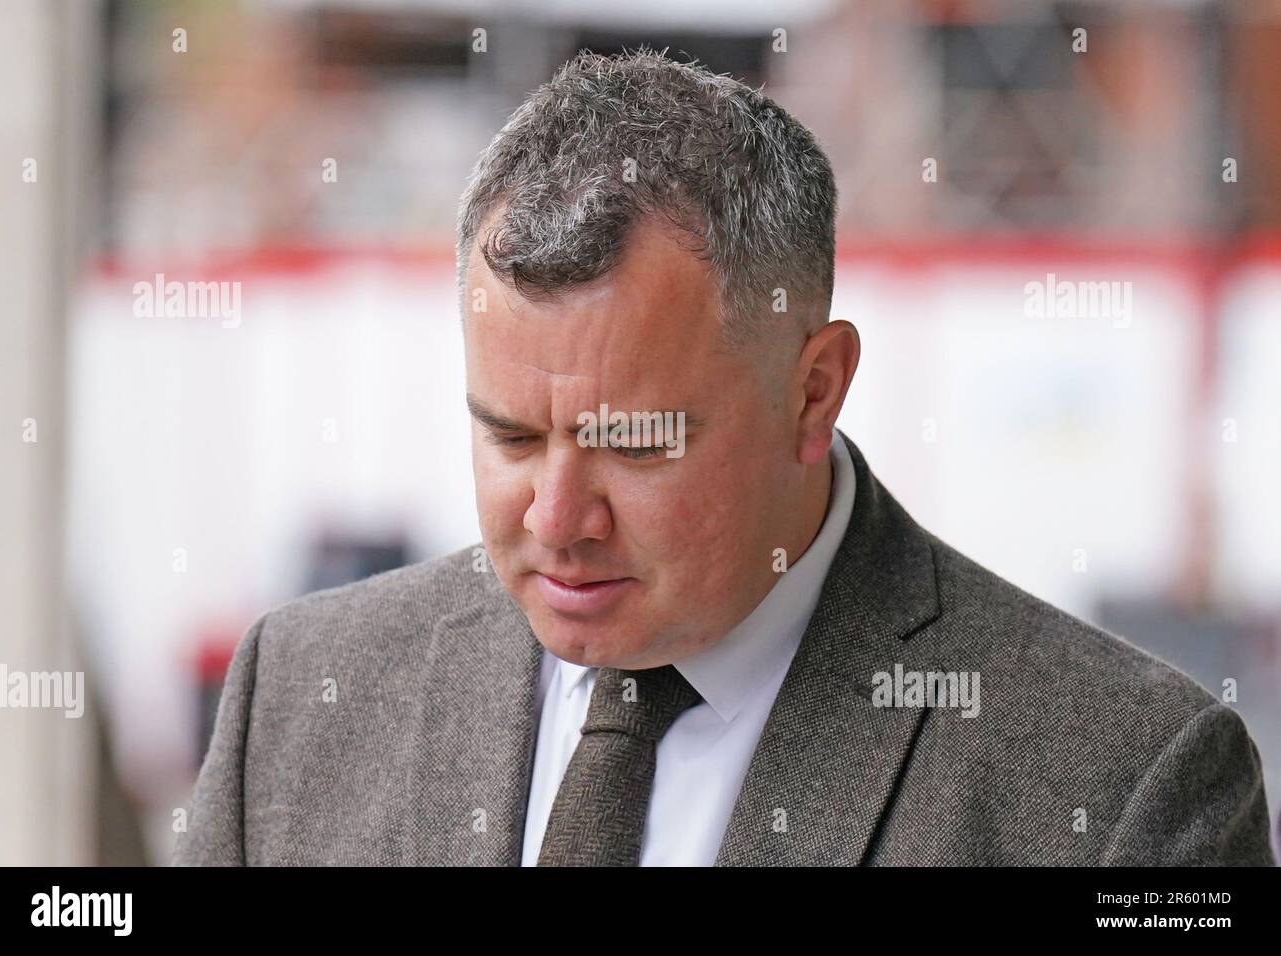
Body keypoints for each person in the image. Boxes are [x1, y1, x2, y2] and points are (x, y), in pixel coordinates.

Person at [174, 49, 1275, 866]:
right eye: (510, 434)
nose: (557, 515)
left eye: (634, 442)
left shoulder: (1124, 784)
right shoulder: (302, 702)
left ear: (813, 389)